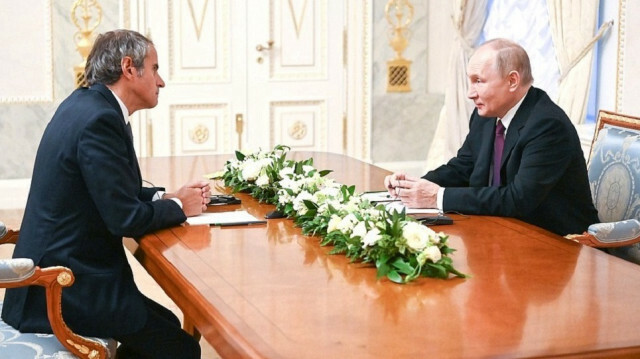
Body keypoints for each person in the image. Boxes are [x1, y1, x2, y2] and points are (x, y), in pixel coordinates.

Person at [1, 30, 208, 358]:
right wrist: (180, 206)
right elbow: (124, 218)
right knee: (177, 347)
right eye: (154, 69)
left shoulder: (89, 104)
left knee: (167, 326)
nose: (161, 81)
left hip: (66, 276)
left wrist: (164, 197)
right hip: (59, 289)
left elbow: (106, 188)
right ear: (129, 68)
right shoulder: (99, 118)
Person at [384, 38, 598, 236]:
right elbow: (463, 167)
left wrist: (437, 196)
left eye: (478, 81)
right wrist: (415, 187)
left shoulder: (548, 125)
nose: (470, 93)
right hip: (502, 231)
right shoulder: (486, 115)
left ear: (512, 80)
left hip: (559, 244)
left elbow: (518, 199)